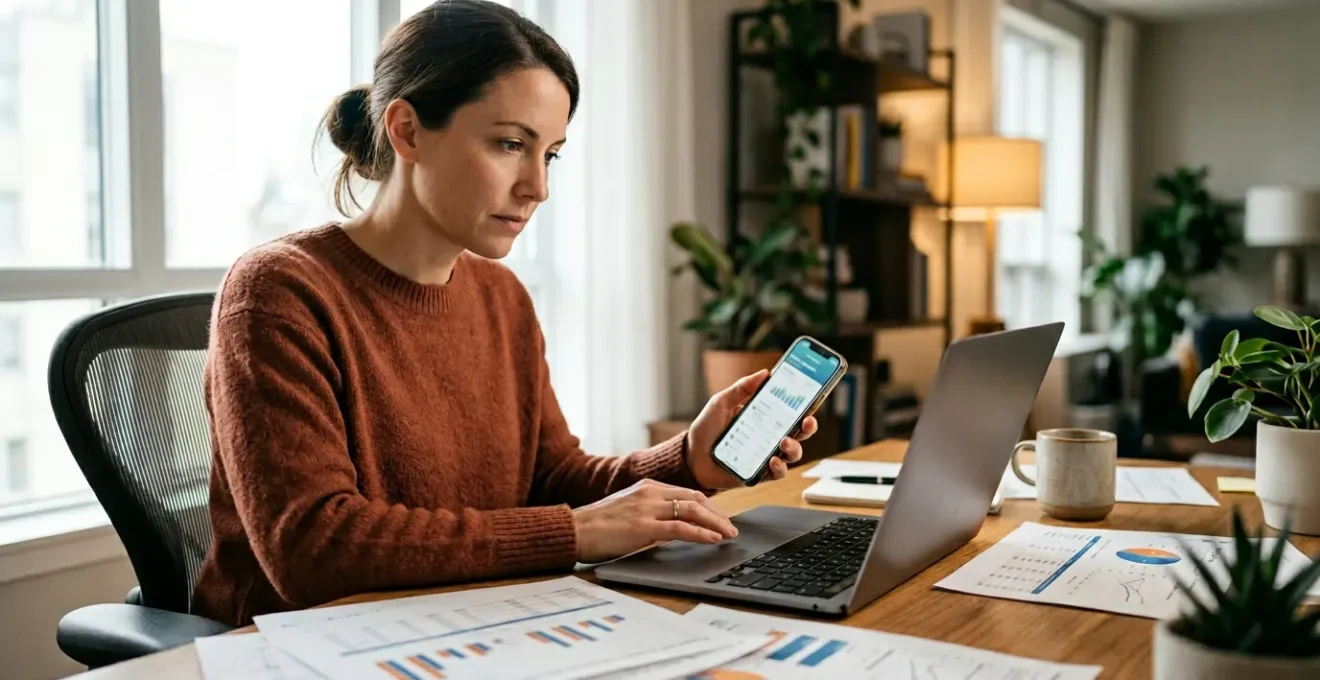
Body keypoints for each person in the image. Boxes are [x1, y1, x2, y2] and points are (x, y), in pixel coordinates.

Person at [190, 0, 818, 627]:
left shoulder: (502, 296)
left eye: (550, 154)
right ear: (407, 130)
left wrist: (689, 460)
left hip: (473, 626)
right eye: (510, 144)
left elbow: (551, 477)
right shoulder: (279, 291)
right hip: (305, 647)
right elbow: (313, 549)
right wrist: (573, 533)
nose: (537, 187)